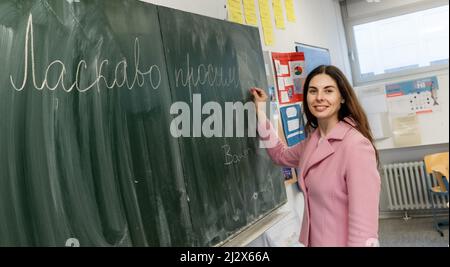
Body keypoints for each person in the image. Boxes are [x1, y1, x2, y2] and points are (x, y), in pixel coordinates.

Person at [250, 65, 381, 247]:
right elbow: (280, 155)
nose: (319, 97)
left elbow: (364, 226)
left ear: (342, 97)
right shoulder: (314, 141)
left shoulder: (355, 146)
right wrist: (261, 114)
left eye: (328, 91)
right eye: (313, 91)